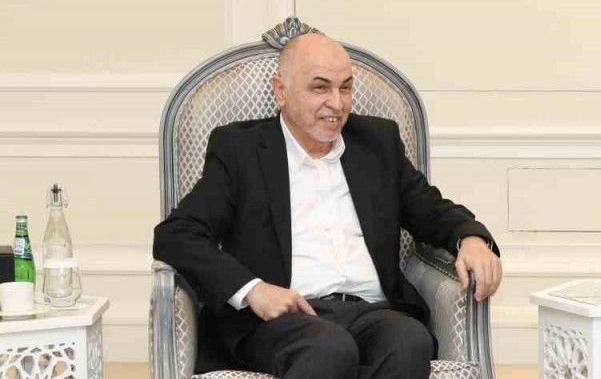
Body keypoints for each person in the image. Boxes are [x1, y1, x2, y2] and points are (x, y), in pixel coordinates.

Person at [154, 32, 502, 379]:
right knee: (330, 348)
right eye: (320, 88)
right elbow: (177, 235)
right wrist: (254, 290)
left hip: (372, 312)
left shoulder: (377, 143)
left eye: (345, 88)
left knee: (409, 341)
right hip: (283, 319)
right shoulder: (240, 150)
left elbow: (431, 210)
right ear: (281, 91)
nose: (337, 104)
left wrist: (470, 238)